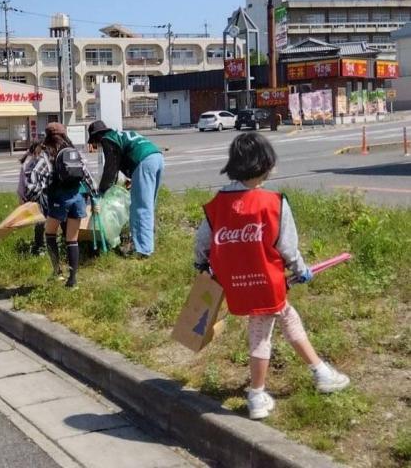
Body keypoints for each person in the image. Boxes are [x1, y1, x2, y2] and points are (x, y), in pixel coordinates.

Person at [194, 133, 350, 420]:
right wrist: (301, 269)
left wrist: (201, 265)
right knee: (260, 334)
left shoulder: (217, 204)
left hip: (234, 283)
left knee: (287, 316)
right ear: (263, 165)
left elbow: (202, 243)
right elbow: (287, 247)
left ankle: (321, 371)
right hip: (266, 282)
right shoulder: (273, 202)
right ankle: (257, 395)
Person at [26, 123, 97, 288]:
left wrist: (33, 197)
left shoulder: (47, 154)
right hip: (77, 199)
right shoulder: (74, 152)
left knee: (50, 234)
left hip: (59, 199)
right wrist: (95, 196)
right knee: (72, 239)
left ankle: (57, 272)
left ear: (48, 136)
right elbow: (88, 176)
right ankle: (72, 280)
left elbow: (35, 178)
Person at [87, 120, 163, 258]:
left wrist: (102, 192)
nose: (98, 145)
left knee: (139, 208)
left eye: (95, 142)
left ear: (97, 136)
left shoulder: (107, 139)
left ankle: (143, 250)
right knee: (149, 205)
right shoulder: (119, 135)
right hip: (156, 157)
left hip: (143, 161)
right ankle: (148, 243)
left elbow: (110, 169)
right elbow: (121, 162)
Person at [17, 140, 46, 255]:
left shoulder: (40, 163)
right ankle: (40, 246)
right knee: (40, 222)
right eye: (36, 153)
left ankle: (41, 245)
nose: (38, 155)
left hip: (39, 196)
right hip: (37, 197)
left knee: (42, 222)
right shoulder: (28, 164)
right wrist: (21, 198)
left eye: (40, 153)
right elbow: (21, 184)